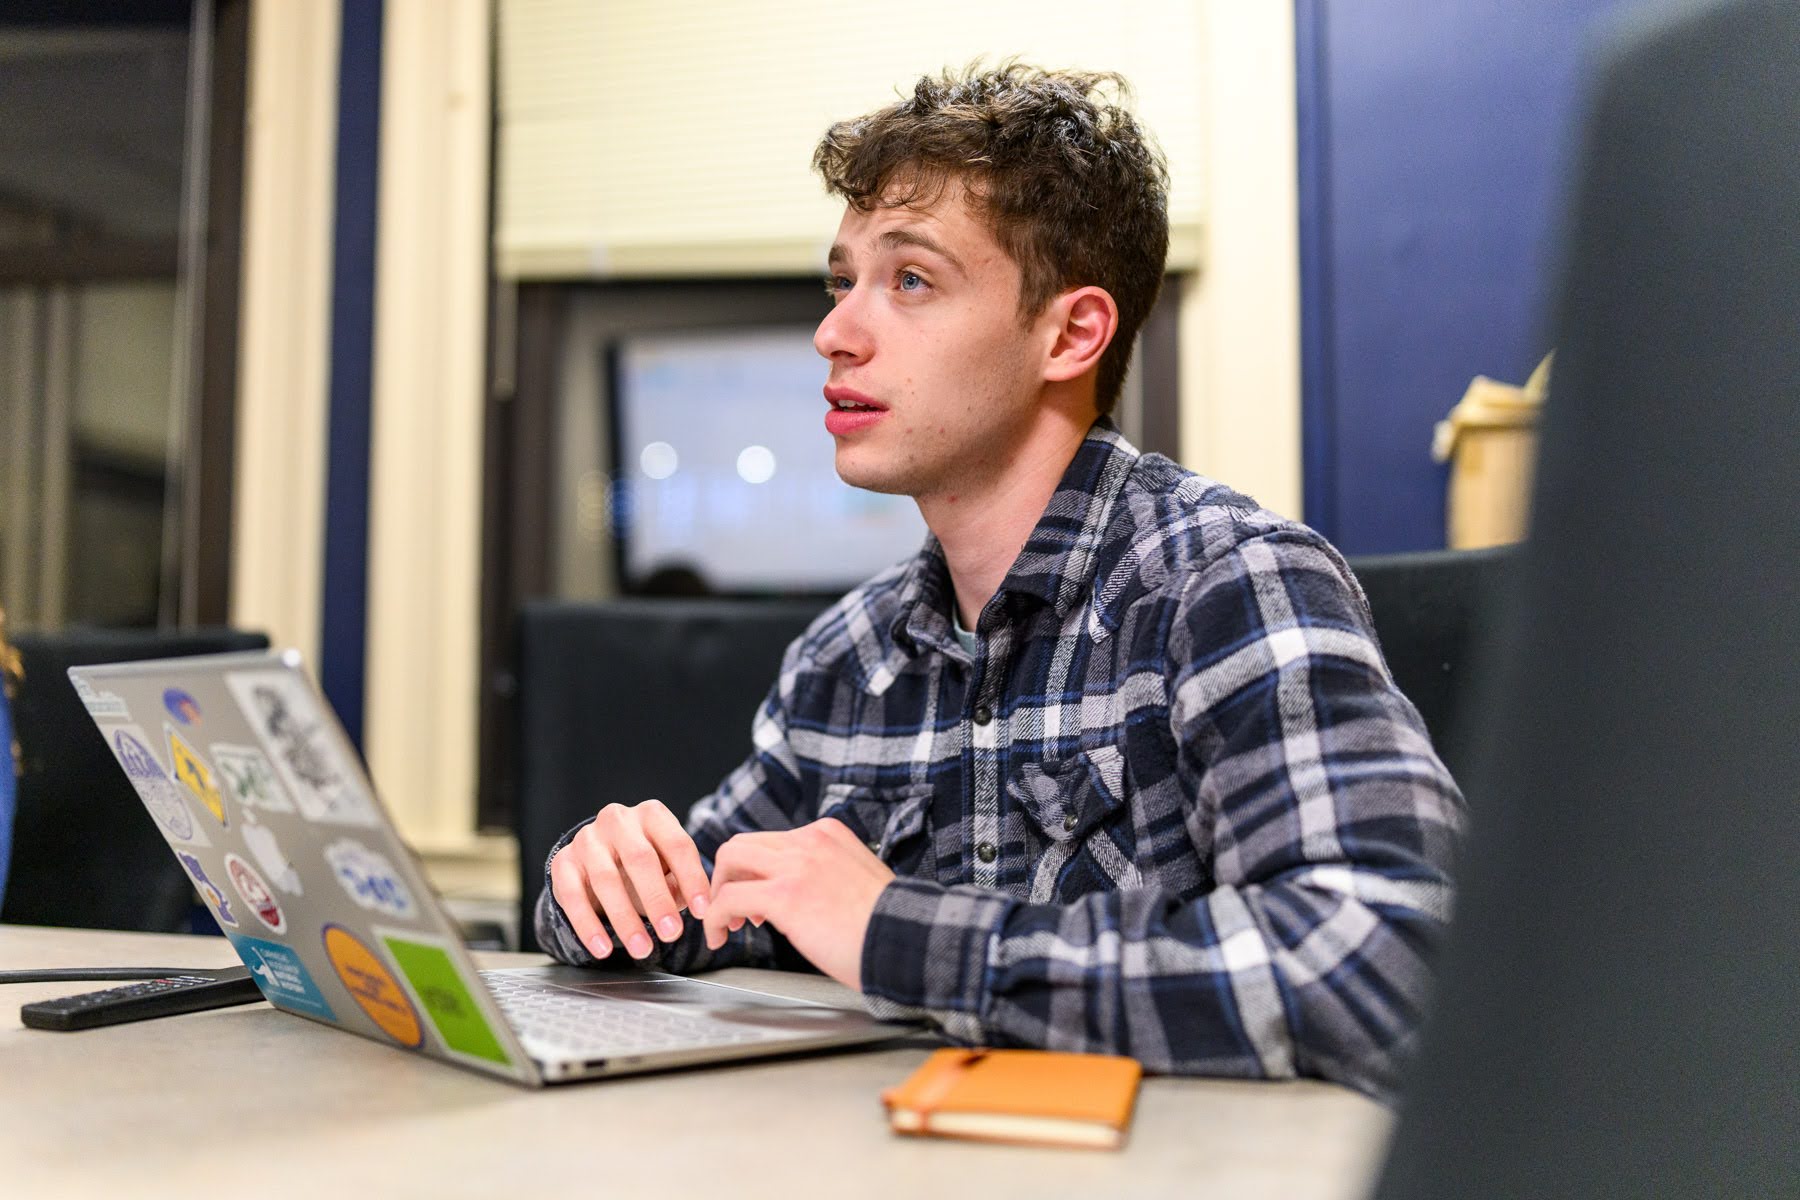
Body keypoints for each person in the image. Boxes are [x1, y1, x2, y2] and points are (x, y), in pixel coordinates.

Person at [536, 63, 1462, 1099]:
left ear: (1071, 335)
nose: (834, 332)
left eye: (912, 281)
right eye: (843, 282)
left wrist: (897, 932)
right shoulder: (848, 656)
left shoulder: (1227, 583)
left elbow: (1388, 970)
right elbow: (701, 904)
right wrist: (596, 888)